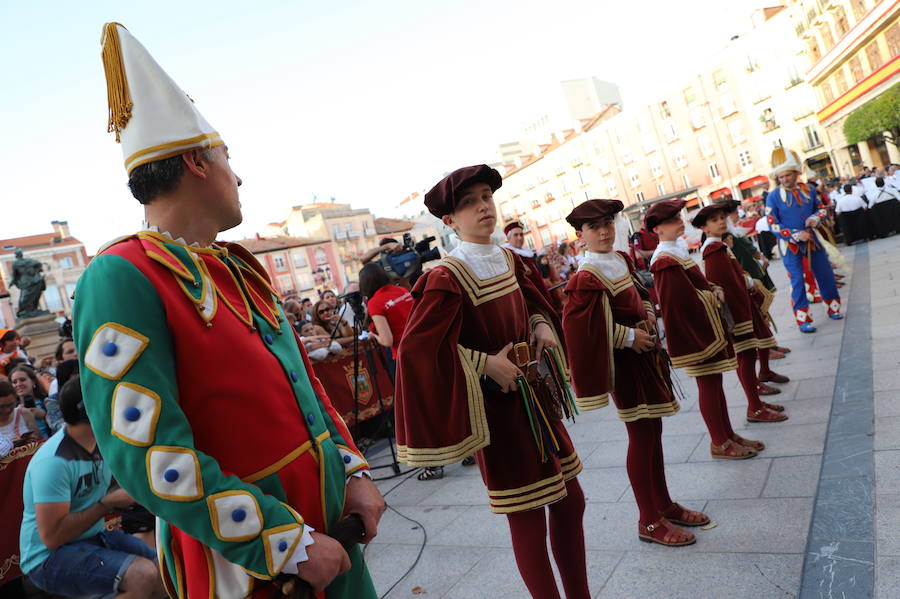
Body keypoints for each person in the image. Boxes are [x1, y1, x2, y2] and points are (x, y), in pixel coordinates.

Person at [73, 23, 381, 598]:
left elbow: (304, 386)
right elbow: (148, 455)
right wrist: (279, 539)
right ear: (195, 162)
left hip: (330, 530)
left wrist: (354, 472)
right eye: (226, 157)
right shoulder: (120, 275)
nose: (237, 175)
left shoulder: (239, 266)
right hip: (247, 565)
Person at [395, 165, 589, 599]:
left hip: (537, 400)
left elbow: (535, 304)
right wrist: (484, 363)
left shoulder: (506, 258)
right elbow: (417, 351)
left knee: (570, 501)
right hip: (499, 417)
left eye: (486, 196)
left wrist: (540, 324)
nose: (483, 206)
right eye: (469, 203)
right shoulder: (447, 276)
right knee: (527, 519)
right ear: (449, 221)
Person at [563, 199, 708, 547]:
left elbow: (637, 291)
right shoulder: (585, 276)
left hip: (646, 358)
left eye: (607, 223)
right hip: (624, 366)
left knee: (654, 432)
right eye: (594, 227)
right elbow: (581, 327)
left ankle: (664, 504)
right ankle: (648, 520)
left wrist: (645, 311)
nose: (603, 231)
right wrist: (627, 337)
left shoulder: (620, 259)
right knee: (641, 438)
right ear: (580, 235)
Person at [19, 375, 165, 598]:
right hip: (46, 557)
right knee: (142, 575)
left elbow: (121, 482)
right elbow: (52, 537)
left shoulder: (101, 443)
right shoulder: (53, 462)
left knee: (165, 572)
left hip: (91, 537)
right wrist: (106, 504)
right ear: (92, 412)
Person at [646, 199, 761, 460]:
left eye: (679, 218)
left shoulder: (675, 251)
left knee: (715, 383)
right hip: (694, 333)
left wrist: (711, 288)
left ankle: (728, 434)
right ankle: (719, 441)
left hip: (703, 328)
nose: (680, 223)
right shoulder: (664, 259)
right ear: (657, 230)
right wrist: (712, 295)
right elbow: (677, 302)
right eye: (672, 220)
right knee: (708, 385)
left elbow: (694, 286)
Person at [692, 205, 788, 423]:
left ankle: (756, 401)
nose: (721, 222)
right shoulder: (713, 249)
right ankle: (754, 407)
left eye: (722, 218)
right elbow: (725, 284)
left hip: (742, 307)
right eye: (714, 220)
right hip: (737, 313)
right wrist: (745, 290)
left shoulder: (719, 245)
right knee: (745, 357)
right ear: (704, 228)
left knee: (749, 355)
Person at [765, 148, 842, 333]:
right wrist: (795, 234)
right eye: (781, 177)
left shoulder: (809, 189)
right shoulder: (773, 196)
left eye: (788, 175)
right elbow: (772, 224)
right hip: (789, 245)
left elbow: (822, 208)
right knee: (797, 280)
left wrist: (815, 218)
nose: (784, 180)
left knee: (824, 273)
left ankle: (833, 308)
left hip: (812, 241)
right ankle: (803, 320)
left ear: (796, 173)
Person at [501, 221, 560, 310]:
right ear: (508, 238)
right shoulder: (508, 254)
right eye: (516, 235)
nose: (520, 238)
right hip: (530, 300)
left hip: (542, 292)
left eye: (521, 234)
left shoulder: (528, 253)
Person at [359, 263, 413, 360]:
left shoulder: (374, 303)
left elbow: (387, 341)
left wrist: (374, 335)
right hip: (424, 343)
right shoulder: (402, 290)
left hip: (406, 353)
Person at [10, 365, 52, 438]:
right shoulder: (10, 410)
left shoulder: (48, 402)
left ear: (33, 381)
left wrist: (44, 416)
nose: (18, 384)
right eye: (14, 382)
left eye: (22, 380)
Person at [0, 380, 39, 453]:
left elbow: (39, 441)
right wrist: (12, 444)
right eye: (2, 406)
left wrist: (31, 440)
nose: (8, 410)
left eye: (11, 404)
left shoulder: (24, 413)